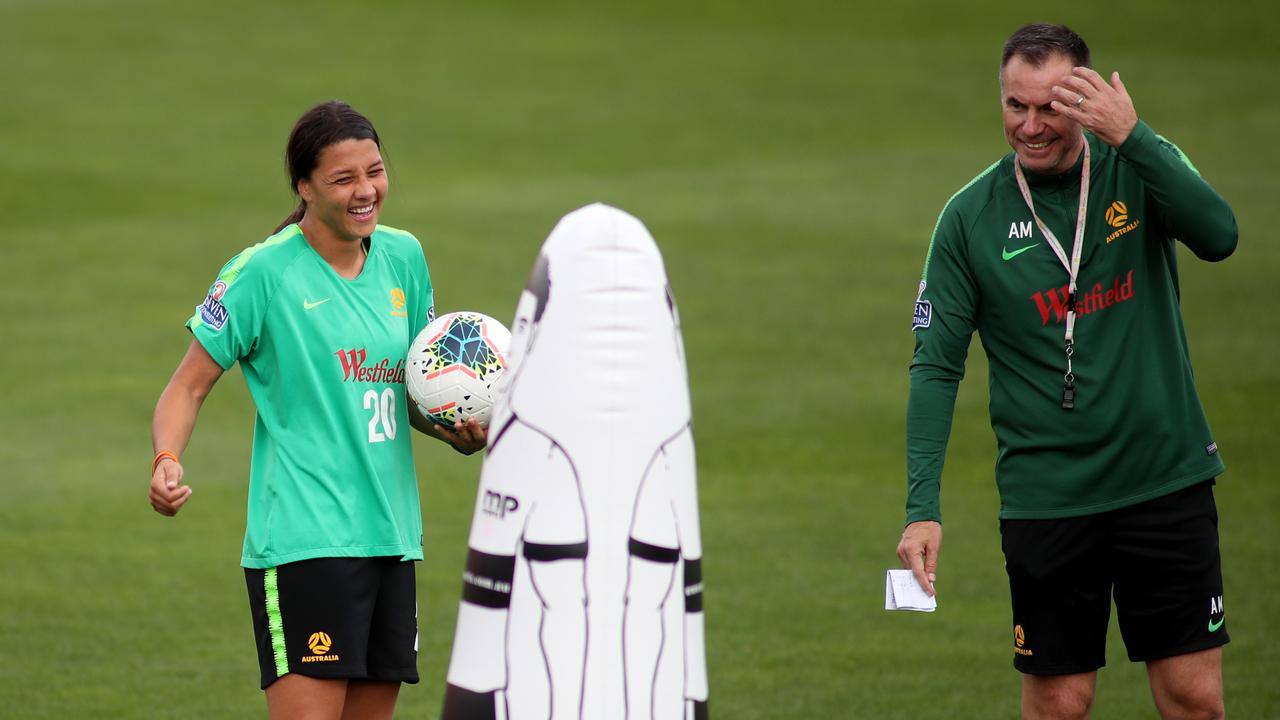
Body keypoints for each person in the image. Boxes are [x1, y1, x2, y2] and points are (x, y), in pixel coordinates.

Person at [896, 23, 1237, 720]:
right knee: (1060, 706)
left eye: (1049, 106)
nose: (1030, 125)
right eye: (1015, 105)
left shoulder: (1139, 167)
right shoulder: (968, 220)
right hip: (1048, 498)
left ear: (1085, 97)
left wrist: (1134, 137)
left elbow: (1220, 236)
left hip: (1162, 480)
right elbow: (935, 366)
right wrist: (921, 508)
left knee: (1194, 699)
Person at [148, 100, 486, 720]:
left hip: (392, 539)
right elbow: (187, 386)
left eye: (375, 172)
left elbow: (411, 390)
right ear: (304, 187)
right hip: (306, 544)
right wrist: (167, 458)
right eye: (344, 178)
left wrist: (455, 431)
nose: (366, 191)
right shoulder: (263, 272)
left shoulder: (404, 258)